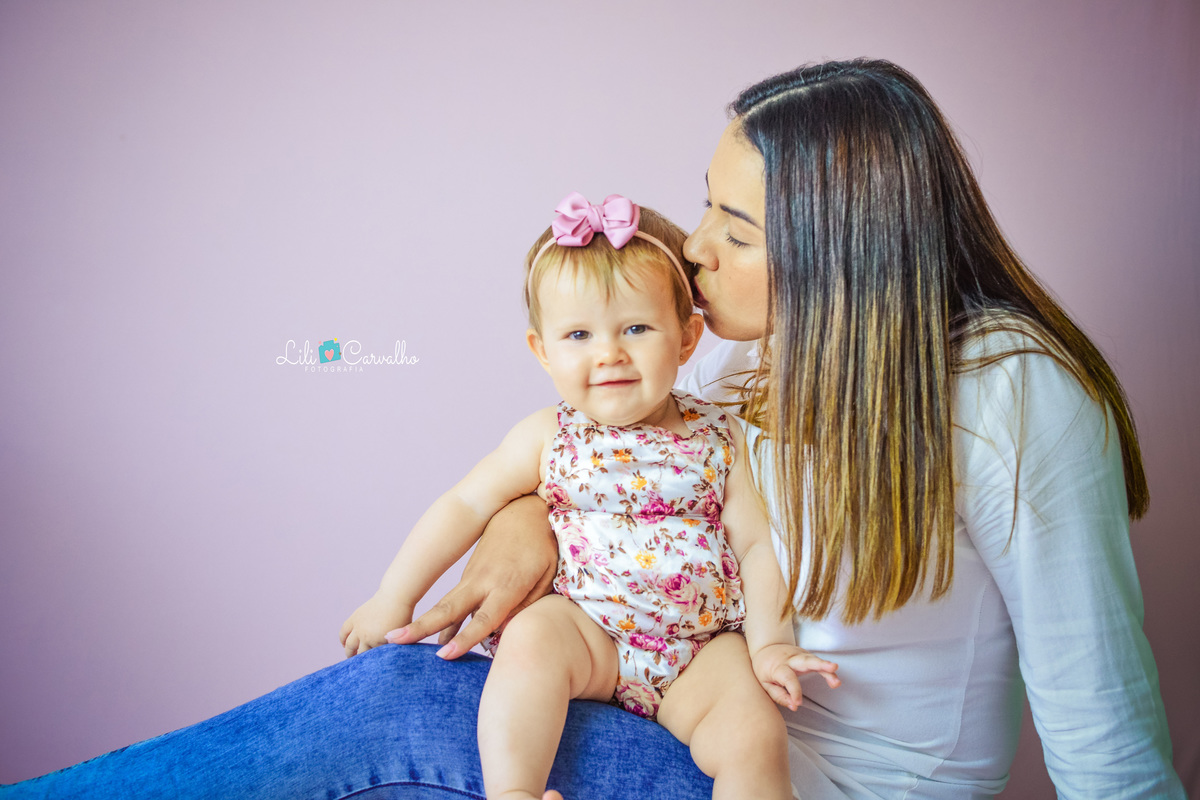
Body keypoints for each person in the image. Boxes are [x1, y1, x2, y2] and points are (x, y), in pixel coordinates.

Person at [1, 58, 1185, 800]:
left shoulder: (1012, 398)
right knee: (413, 708)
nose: (694, 250)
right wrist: (526, 519)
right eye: (706, 207)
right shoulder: (770, 360)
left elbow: (1108, 741)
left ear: (844, 249)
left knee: (391, 706)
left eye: (734, 229)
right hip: (669, 710)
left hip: (792, 774)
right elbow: (621, 463)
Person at [340, 191, 840, 800]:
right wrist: (393, 597)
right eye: (578, 334)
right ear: (543, 351)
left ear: (687, 338)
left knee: (754, 732)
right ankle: (515, 791)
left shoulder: (719, 434)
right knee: (530, 641)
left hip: (699, 650)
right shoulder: (547, 435)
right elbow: (465, 505)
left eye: (636, 328)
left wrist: (770, 645)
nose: (609, 354)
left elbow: (757, 547)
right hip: (589, 633)